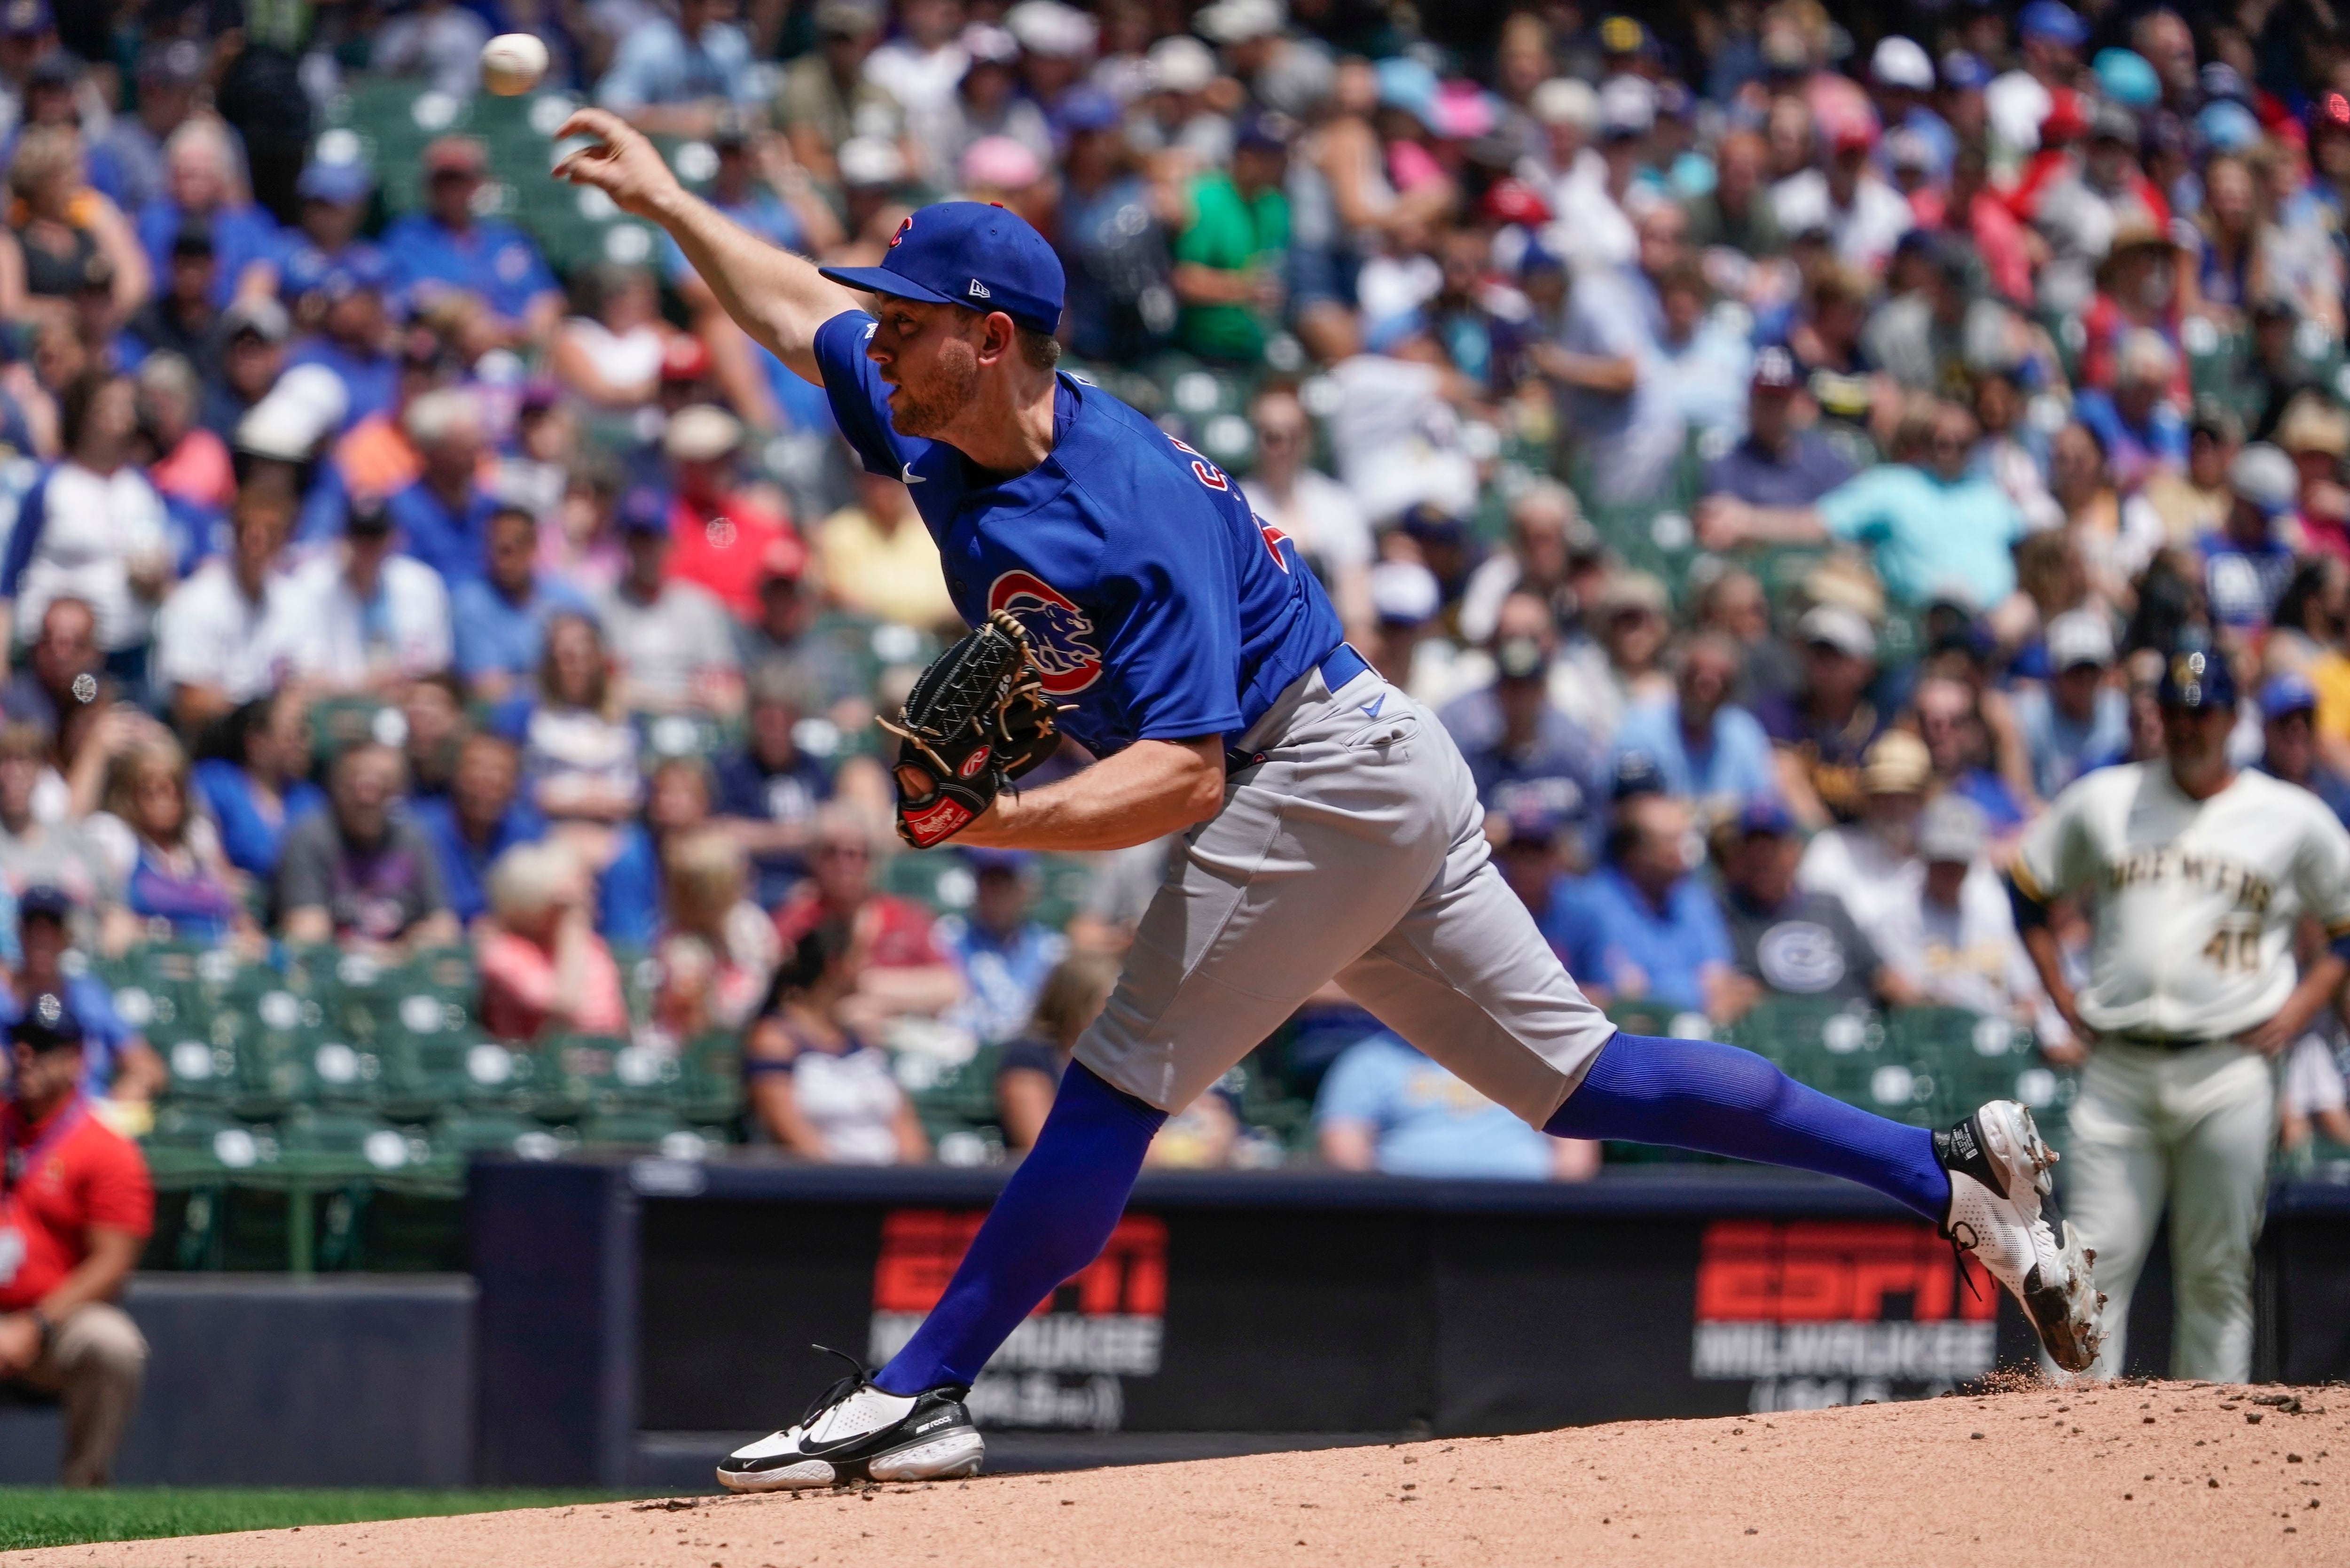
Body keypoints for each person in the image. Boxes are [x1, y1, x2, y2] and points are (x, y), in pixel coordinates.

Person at [551, 116, 2099, 1490]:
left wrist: (993, 821)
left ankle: (923, 1387)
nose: (874, 337)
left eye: (906, 319)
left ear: (994, 334)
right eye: (881, 318)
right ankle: (1946, 1170)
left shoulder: (1125, 508)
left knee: (1117, 1076)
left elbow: (1184, 775)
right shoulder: (936, 411)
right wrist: (675, 201)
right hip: (1361, 763)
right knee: (1582, 1080)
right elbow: (797, 311)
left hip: (1317, 769)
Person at [2011, 647, 2350, 1383]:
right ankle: (2054, 1460)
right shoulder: (2107, 798)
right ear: (2156, 716)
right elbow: (2027, 885)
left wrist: (2301, 1006)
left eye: (2204, 710)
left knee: (2217, 1273)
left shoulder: (2290, 816)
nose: (2189, 725)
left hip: (2231, 1067)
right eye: (2176, 710)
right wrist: (2060, 998)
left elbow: (2345, 920)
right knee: (2087, 1270)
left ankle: (2206, 1466)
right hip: (2119, 1068)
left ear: (2233, 717)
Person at [0, 993, 151, 1487]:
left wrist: (35, 1325)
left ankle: (83, 1490)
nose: (25, 1055)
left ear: (76, 1059)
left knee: (112, 1343)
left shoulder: (105, 1147)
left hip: (51, 1327)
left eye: (42, 1044)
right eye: (20, 1042)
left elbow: (111, 1264)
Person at [742, 917, 930, 1164]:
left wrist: (913, 1185)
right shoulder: (774, 1040)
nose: (867, 966)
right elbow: (790, 1130)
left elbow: (904, 1126)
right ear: (836, 965)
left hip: (891, 1188)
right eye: (860, 957)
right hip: (826, 1190)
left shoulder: (865, 1040)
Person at [1712, 798, 1904, 1021]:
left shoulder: (1829, 907)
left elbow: (1881, 975)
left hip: (1851, 1027)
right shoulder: (1727, 913)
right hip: (1777, 1034)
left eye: (1771, 850)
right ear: (1739, 856)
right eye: (1754, 849)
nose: (1762, 860)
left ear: (1794, 852)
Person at [1316, 1030, 1599, 1180]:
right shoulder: (1368, 1061)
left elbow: (1576, 1154)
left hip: (1521, 1214)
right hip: (1411, 1220)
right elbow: (1346, 1157)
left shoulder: (1533, 1055)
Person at [276, 742, 459, 953]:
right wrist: (397, 951)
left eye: (383, 786)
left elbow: (445, 927)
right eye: (357, 785)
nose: (368, 797)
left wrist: (398, 953)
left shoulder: (413, 837)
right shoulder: (310, 836)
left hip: (402, 972)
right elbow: (306, 934)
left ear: (401, 791)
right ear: (335, 786)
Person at [0, 888, 161, 1110]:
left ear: (68, 936)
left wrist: (122, 1097)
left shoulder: (88, 994)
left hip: (84, 1119)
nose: (42, 937)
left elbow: (146, 1066)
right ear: (19, 932)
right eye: (33, 927)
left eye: (53, 927)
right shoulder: (4, 995)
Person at [476, 841, 628, 1041]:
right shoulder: (503, 954)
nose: (590, 897)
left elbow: (614, 1022)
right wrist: (572, 926)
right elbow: (563, 1007)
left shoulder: (593, 946)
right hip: (535, 1066)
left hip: (602, 1063)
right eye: (579, 892)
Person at [449, 505, 593, 704]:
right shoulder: (469, 605)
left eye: (509, 551)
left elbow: (597, 669)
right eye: (494, 549)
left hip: (571, 715)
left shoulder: (567, 599)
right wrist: (560, 682)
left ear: (533, 548)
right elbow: (488, 690)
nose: (501, 561)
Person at [411, 733, 547, 931]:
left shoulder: (529, 837)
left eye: (500, 773)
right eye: (477, 771)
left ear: (515, 785)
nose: (487, 782)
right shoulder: (421, 830)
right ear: (455, 776)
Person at [937, 848, 1067, 1047]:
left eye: (1003, 882)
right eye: (986, 880)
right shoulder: (949, 937)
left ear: (1025, 889)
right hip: (964, 1053)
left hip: (1026, 1055)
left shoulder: (1051, 949)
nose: (993, 893)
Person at [189, 689, 322, 883]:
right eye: (296, 735)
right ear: (256, 742)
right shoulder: (214, 783)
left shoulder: (310, 799)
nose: (305, 744)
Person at [993, 950, 1120, 1150]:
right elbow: (1039, 1144)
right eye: (1112, 1005)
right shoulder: (1027, 1059)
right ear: (1076, 1003)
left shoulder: (1117, 1062)